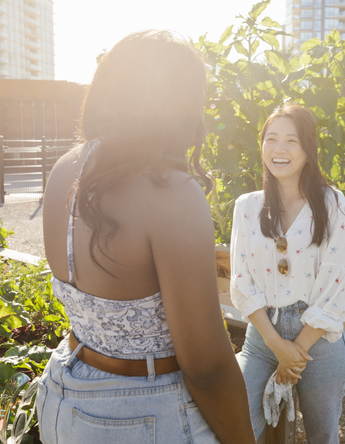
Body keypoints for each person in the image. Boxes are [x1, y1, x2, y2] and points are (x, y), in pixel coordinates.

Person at [36, 31, 255, 443]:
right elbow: (206, 365)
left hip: (64, 397)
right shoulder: (169, 191)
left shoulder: (66, 168)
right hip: (140, 417)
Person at [231, 104, 345, 443]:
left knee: (322, 435)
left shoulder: (332, 204)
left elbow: (337, 283)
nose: (279, 149)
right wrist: (276, 346)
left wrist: (294, 354)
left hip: (318, 341)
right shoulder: (246, 207)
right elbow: (241, 281)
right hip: (261, 337)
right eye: (271, 139)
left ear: (307, 150)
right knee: (237, 425)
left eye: (291, 140)